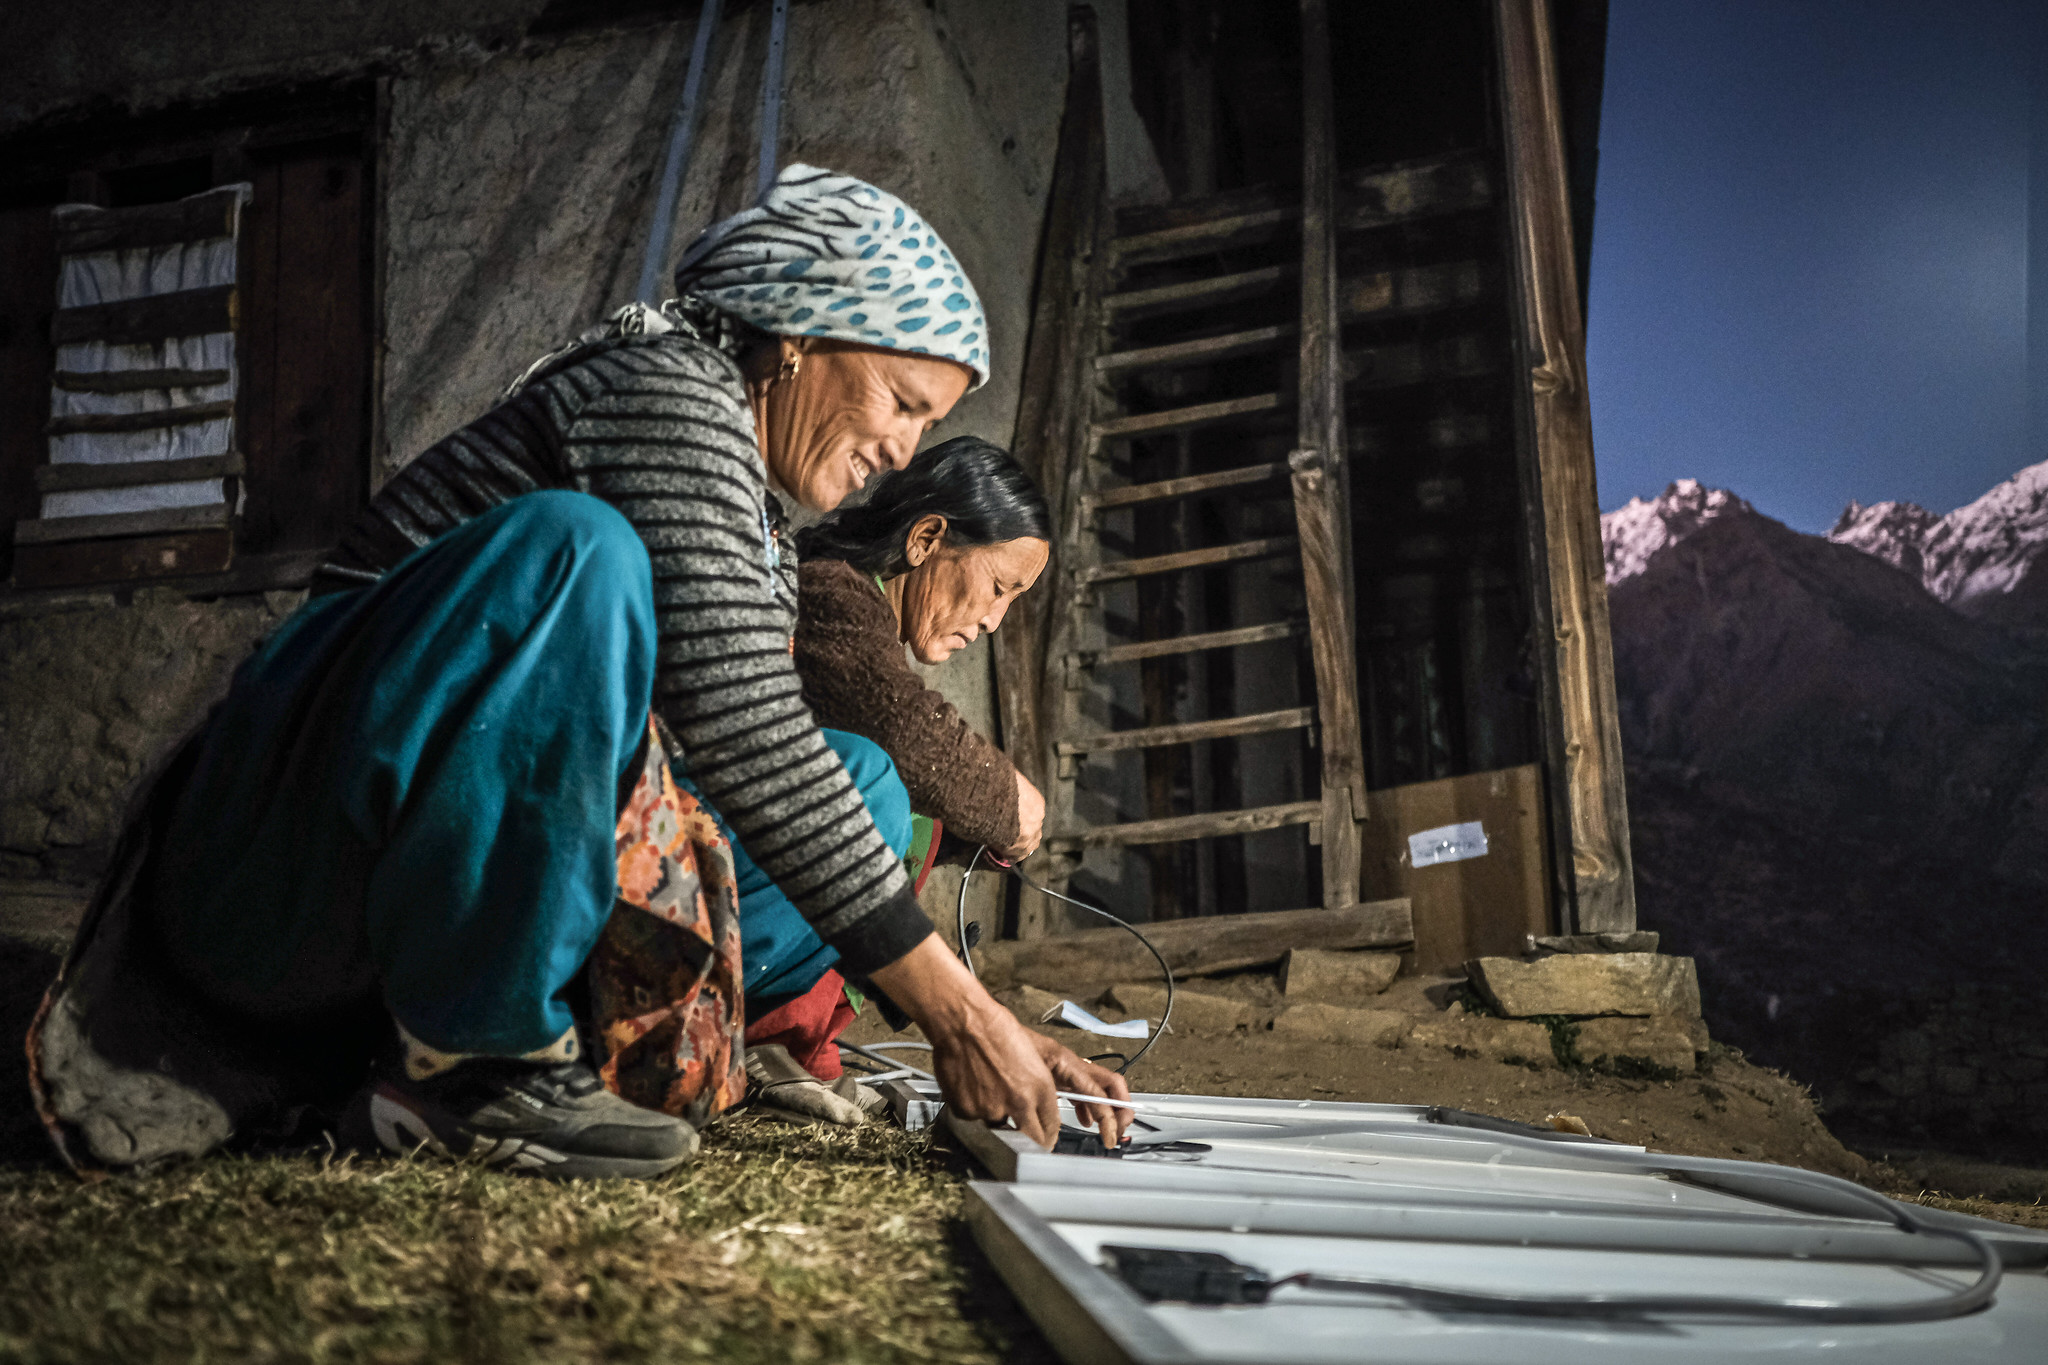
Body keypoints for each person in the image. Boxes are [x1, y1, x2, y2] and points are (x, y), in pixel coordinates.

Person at [27, 166, 1128, 1181]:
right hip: (280, 861)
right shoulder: (665, 391)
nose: (902, 447)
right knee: (573, 550)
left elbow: (759, 767)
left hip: (412, 909)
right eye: (900, 401)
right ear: (795, 339)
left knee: (859, 781)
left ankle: (482, 1053)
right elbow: (747, 732)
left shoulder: (751, 511)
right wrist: (959, 1016)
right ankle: (476, 1057)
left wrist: (988, 1014)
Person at [738, 437, 1053, 1113]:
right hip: (676, 865)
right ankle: (761, 1028)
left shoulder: (861, 612)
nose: (995, 619)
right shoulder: (826, 592)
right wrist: (1007, 803)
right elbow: (900, 731)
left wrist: (973, 834)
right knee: (873, 778)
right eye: (998, 587)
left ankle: (783, 1040)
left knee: (897, 795)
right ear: (927, 537)